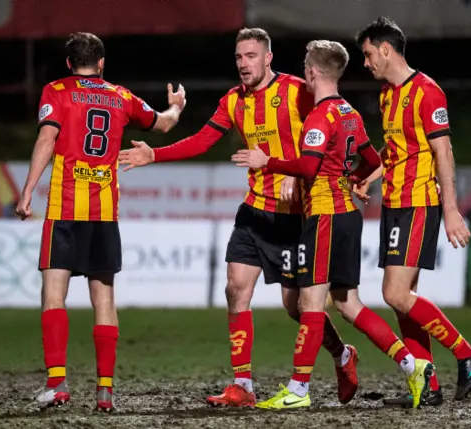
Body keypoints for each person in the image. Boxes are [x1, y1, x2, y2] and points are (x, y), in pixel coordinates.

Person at [117, 28, 359, 407]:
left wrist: (304, 178)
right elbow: (202, 140)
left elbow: (334, 134)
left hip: (295, 216)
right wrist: (155, 155)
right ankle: (242, 386)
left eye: (251, 56)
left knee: (296, 307)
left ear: (268, 58)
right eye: (238, 57)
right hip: (254, 211)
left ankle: (343, 355)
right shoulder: (233, 100)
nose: (244, 64)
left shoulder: (300, 91)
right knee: (235, 288)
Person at [232, 39, 434, 410]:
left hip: (324, 216)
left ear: (311, 72)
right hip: (348, 217)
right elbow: (372, 161)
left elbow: (308, 167)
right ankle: (414, 364)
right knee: (348, 302)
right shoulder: (349, 113)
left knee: (310, 302)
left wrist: (267, 161)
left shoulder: (319, 116)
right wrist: (354, 178)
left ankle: (297, 389)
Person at [14, 32, 186, 412]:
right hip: (104, 212)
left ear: (69, 63)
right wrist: (176, 107)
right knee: (104, 298)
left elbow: (47, 138)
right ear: (102, 63)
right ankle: (105, 391)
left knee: (53, 294)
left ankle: (57, 384)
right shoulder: (120, 96)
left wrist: (27, 191)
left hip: (65, 208)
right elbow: (162, 125)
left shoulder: (57, 90)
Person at [354, 17, 471, 406]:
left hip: (419, 203)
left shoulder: (427, 92)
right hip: (395, 203)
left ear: (385, 49)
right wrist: (370, 177)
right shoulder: (387, 94)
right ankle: (428, 385)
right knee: (405, 298)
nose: (365, 63)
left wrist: (451, 210)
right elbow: (394, 150)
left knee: (395, 294)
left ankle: (466, 353)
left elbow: (443, 152)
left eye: (367, 54)